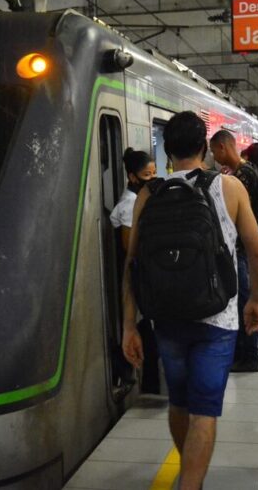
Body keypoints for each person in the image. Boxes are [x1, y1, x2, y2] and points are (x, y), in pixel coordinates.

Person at [121, 111, 258, 490]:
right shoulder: (229, 187)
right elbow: (257, 253)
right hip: (217, 318)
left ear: (167, 150)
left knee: (179, 402)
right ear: (205, 147)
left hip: (166, 316)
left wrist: (128, 325)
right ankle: (191, 483)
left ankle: (190, 476)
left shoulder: (148, 194)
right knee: (204, 410)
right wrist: (256, 299)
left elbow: (132, 264)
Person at [210, 130, 258, 372]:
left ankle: (249, 356)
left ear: (223, 147)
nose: (214, 157)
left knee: (244, 301)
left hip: (244, 249)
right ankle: (246, 353)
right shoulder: (248, 170)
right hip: (246, 249)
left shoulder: (242, 177)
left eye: (214, 151)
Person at [110, 148, 159, 393]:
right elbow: (130, 248)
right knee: (146, 336)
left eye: (154, 173)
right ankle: (147, 385)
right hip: (137, 280)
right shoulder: (129, 204)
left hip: (142, 280)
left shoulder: (138, 198)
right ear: (132, 176)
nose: (152, 179)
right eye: (146, 174)